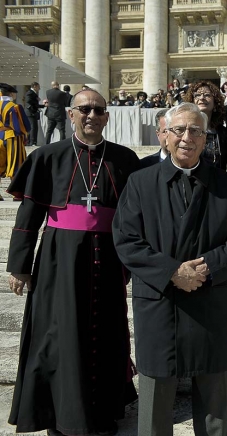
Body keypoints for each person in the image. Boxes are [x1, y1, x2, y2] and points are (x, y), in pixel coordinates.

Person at [113, 103, 227, 436]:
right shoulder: (140, 183)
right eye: (179, 130)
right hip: (160, 301)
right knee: (155, 400)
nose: (187, 138)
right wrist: (173, 272)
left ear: (206, 139)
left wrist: (204, 269)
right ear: (165, 136)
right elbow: (126, 240)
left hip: (210, 300)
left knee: (214, 401)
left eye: (196, 131)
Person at [7, 88, 140, 435]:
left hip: (109, 260)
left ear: (107, 117)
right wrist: (19, 265)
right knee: (60, 334)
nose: (91, 116)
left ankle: (103, 411)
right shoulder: (48, 156)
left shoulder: (124, 159)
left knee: (107, 332)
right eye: (84, 109)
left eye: (98, 110)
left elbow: (139, 214)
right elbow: (29, 212)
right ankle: (60, 414)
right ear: (70, 114)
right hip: (58, 260)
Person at [185, 80, 227, 169]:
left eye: (207, 95)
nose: (202, 98)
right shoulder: (185, 131)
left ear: (215, 102)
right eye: (197, 95)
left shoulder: (223, 133)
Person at [0, 83, 30, 188]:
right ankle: (16, 192)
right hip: (12, 137)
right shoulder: (15, 107)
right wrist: (24, 135)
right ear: (12, 94)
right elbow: (24, 125)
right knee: (16, 164)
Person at [24, 82, 43, 146]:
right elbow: (29, 102)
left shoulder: (33, 93)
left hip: (32, 112)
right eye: (38, 87)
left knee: (34, 127)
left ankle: (32, 141)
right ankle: (32, 142)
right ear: (35, 86)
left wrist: (43, 106)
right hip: (31, 113)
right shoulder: (30, 93)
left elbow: (35, 104)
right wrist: (33, 110)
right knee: (33, 127)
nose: (39, 88)